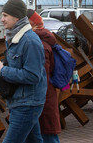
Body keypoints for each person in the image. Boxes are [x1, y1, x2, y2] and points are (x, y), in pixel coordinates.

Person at [0, 0, 46, 143]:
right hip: (20, 101)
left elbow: (33, 76)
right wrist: (1, 68)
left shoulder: (30, 41)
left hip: (27, 104)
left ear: (17, 17)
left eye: (5, 15)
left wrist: (2, 70)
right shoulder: (15, 37)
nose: (2, 19)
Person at [28, 10, 61, 143]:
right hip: (44, 96)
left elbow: (40, 77)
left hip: (42, 97)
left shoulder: (38, 44)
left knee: (47, 135)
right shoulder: (43, 39)